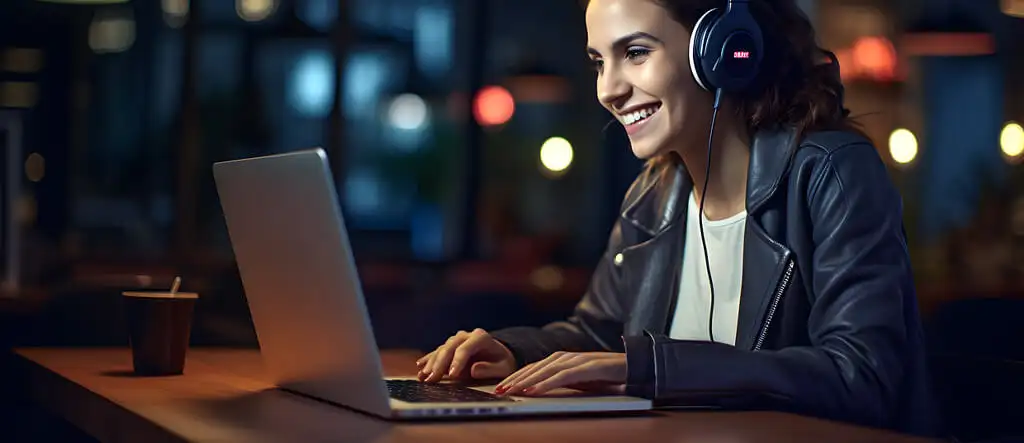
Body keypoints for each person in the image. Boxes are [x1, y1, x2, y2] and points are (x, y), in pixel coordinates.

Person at [416, 0, 939, 437]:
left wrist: (657, 367)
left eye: (636, 53)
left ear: (723, 52)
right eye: (600, 61)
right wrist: (511, 349)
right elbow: (600, 336)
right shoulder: (654, 194)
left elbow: (863, 376)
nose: (608, 89)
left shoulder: (831, 172)